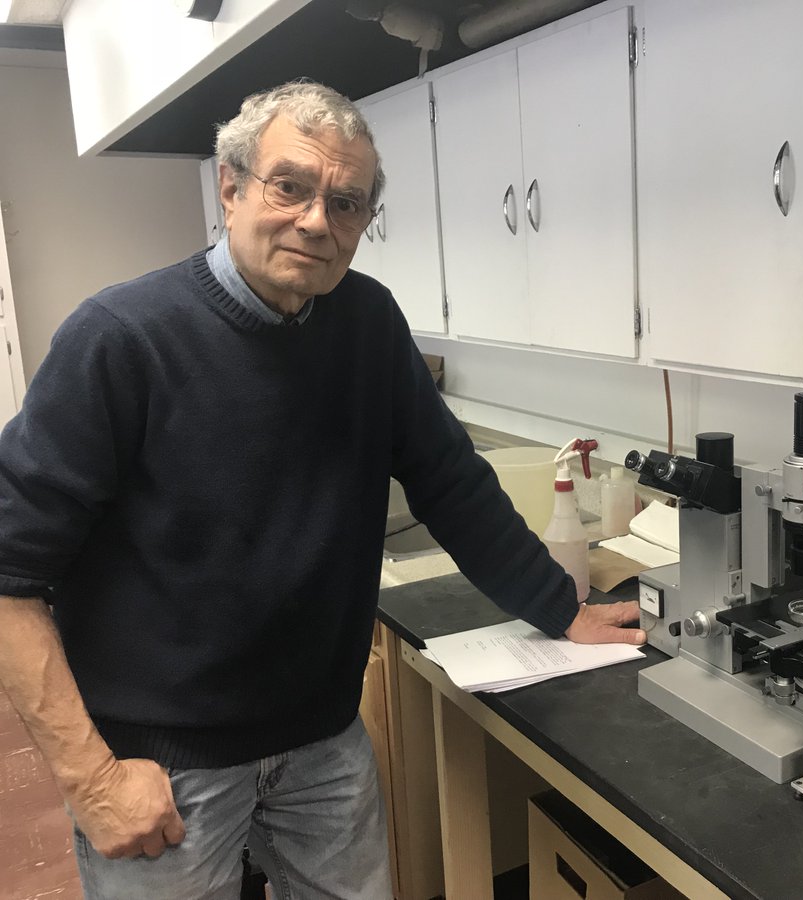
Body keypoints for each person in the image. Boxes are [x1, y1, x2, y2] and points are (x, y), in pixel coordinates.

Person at [0, 80, 644, 899]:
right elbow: (9, 577)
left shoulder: (369, 325)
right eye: (290, 186)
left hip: (322, 745)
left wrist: (561, 608)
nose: (316, 221)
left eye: (346, 203)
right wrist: (93, 780)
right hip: (164, 763)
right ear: (230, 188)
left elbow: (452, 484)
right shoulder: (121, 340)